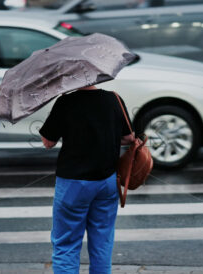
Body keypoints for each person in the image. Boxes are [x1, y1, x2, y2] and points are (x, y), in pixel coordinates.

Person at [39, 84, 135, 274]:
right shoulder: (113, 98)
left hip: (73, 183)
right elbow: (129, 137)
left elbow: (48, 142)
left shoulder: (65, 101)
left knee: (66, 243)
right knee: (102, 241)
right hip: (107, 180)